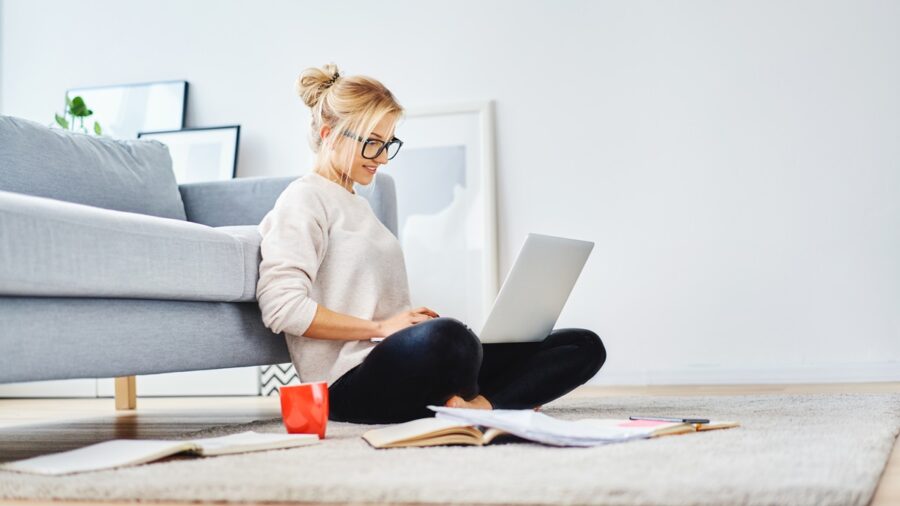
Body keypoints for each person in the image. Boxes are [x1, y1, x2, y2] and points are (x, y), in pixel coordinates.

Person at [256, 62, 607, 424]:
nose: (380, 158)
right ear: (329, 135)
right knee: (451, 339)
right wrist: (381, 328)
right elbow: (281, 307)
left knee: (582, 345)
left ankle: (478, 407)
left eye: (387, 143)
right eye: (372, 144)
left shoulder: (357, 205)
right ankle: (498, 396)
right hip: (347, 384)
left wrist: (404, 325)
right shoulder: (303, 199)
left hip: (400, 364)